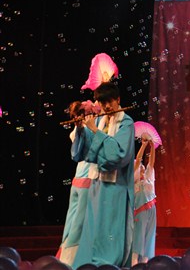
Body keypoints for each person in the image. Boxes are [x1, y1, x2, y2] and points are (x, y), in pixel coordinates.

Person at [71, 83, 135, 268]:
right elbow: (85, 153)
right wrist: (81, 129)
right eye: (102, 102)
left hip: (116, 186)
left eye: (110, 101)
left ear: (118, 100)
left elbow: (117, 156)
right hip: (97, 184)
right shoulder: (99, 121)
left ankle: (109, 264)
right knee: (94, 227)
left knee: (111, 228)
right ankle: (89, 263)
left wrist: (95, 132)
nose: (107, 106)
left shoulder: (126, 123)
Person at [57, 101, 93, 265]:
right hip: (86, 180)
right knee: (77, 223)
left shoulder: (76, 131)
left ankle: (65, 253)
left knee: (72, 220)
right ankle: (68, 259)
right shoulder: (84, 130)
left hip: (77, 179)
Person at [131, 137, 157, 265]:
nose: (141, 167)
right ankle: (134, 258)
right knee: (139, 233)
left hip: (151, 209)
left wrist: (152, 147)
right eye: (139, 166)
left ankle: (146, 259)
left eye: (142, 166)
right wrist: (143, 145)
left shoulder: (149, 177)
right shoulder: (134, 181)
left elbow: (151, 162)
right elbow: (138, 159)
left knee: (150, 233)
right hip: (140, 209)